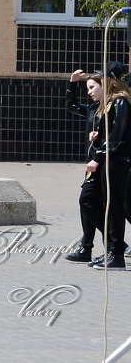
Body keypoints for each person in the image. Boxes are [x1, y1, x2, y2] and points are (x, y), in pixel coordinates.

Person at [63, 68, 117, 264]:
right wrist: (72, 83)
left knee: (88, 202)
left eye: (92, 87)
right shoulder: (94, 108)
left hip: (104, 163)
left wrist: (99, 137)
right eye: (88, 88)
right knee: (87, 204)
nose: (89, 91)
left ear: (105, 86)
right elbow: (72, 106)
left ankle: (114, 244)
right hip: (93, 165)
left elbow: (115, 136)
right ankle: (87, 247)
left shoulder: (114, 107)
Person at [85, 64, 130, 270]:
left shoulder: (120, 101)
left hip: (117, 161)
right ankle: (113, 250)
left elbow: (117, 134)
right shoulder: (111, 103)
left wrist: (99, 156)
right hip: (111, 160)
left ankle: (117, 254)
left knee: (114, 207)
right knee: (108, 205)